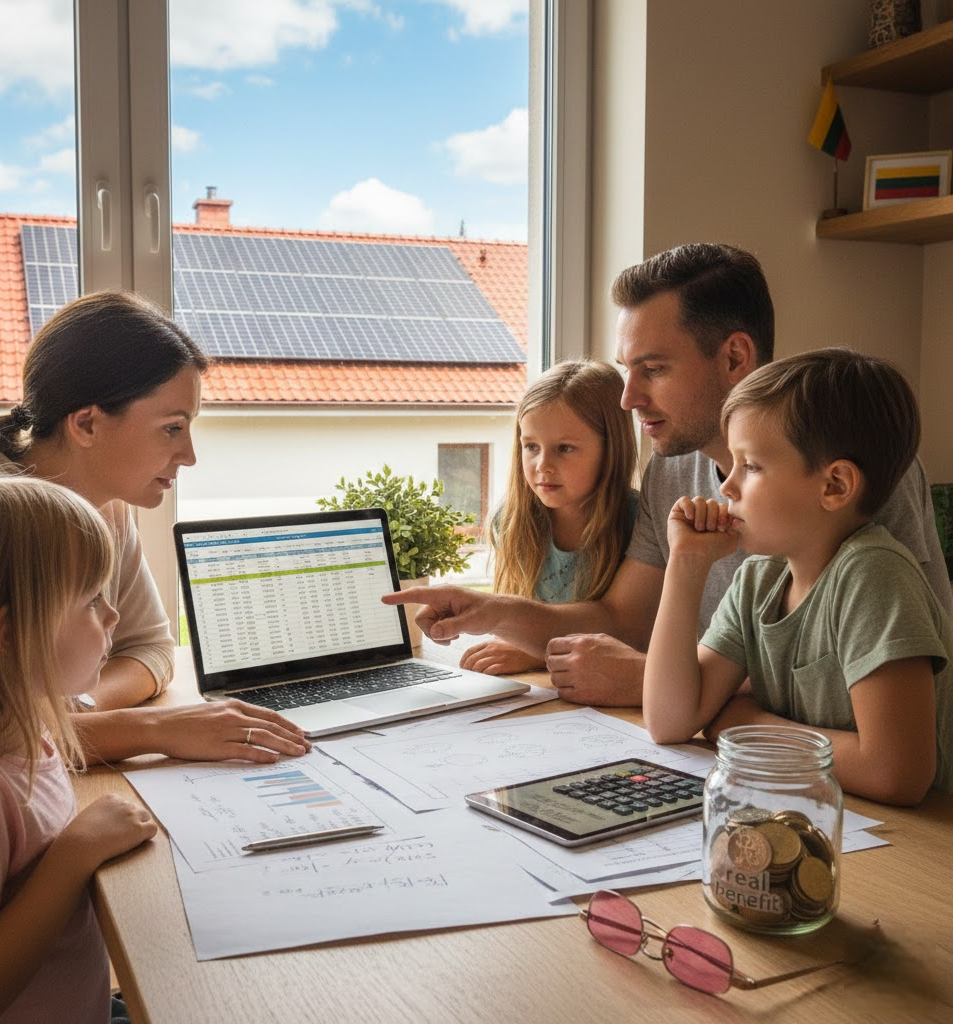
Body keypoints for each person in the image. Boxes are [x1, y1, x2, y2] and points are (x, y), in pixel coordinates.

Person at [383, 244, 952, 706]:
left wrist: (650, 679)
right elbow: (623, 620)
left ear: (734, 357)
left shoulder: (849, 470)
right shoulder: (671, 468)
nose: (629, 398)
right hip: (725, 742)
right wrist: (494, 612)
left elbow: (883, 668)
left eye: (652, 370)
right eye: (628, 370)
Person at [643, 348, 952, 805]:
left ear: (834, 486)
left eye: (750, 466)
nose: (726, 487)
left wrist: (749, 725)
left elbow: (895, 773)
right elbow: (668, 721)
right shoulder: (758, 579)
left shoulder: (874, 577)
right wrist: (685, 566)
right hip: (818, 812)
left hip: (916, 845)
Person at [0, 475, 160, 1024]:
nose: (113, 616)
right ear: (9, 635)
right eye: (91, 601)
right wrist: (74, 854)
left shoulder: (26, 731)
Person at [0, 289, 203, 711]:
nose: (189, 456)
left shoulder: (110, 507)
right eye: (172, 428)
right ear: (86, 424)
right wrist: (148, 729)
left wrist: (75, 713)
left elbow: (150, 648)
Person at [461, 360, 639, 676]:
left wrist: (539, 653)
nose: (543, 464)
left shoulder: (639, 522)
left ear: (610, 448)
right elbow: (509, 626)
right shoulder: (510, 520)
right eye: (531, 446)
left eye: (565, 448)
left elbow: (639, 637)